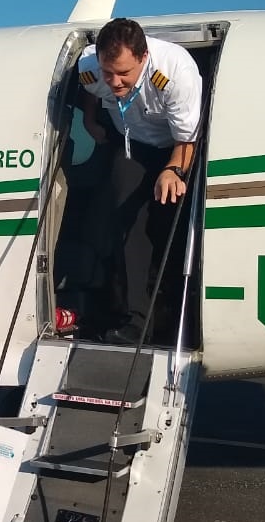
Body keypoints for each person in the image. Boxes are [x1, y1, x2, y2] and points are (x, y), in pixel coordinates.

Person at [75, 17, 202, 343]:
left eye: (124, 74)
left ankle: (172, 319)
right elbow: (90, 88)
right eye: (109, 73)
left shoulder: (175, 73)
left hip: (175, 149)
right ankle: (132, 323)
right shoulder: (90, 66)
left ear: (143, 58)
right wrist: (90, 120)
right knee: (125, 231)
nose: (115, 82)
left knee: (164, 228)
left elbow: (188, 137)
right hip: (131, 144)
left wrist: (173, 171)